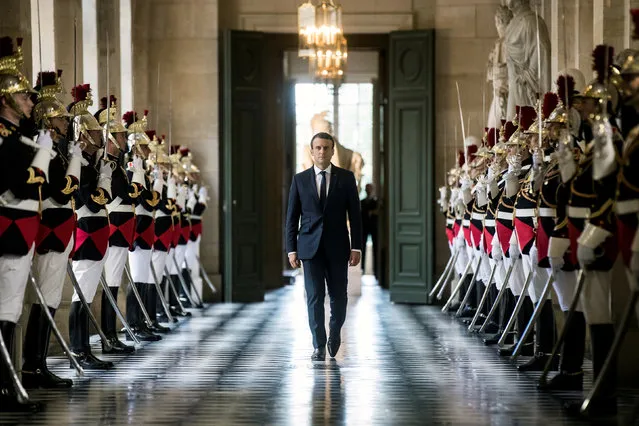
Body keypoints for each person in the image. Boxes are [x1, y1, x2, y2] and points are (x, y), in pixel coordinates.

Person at [285, 132, 363, 361]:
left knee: (339, 296)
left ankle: (335, 332)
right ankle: (318, 343)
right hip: (309, 249)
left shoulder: (346, 178)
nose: (321, 151)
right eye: (317, 148)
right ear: (311, 151)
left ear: (332, 150)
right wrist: (291, 249)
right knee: (314, 297)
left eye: (326, 148)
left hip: (338, 248)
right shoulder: (299, 180)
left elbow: (355, 215)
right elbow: (291, 218)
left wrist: (356, 247)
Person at [360, 183, 378, 276]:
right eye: (367, 189)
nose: (368, 191)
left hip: (374, 227)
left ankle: (376, 269)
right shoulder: (362, 202)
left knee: (376, 248)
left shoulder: (376, 202)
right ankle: (362, 268)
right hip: (364, 227)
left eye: (370, 189)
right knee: (362, 248)